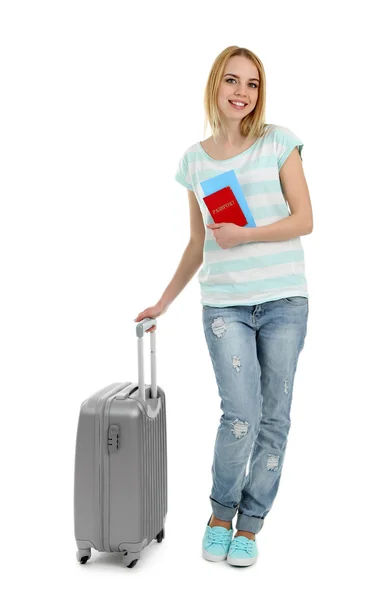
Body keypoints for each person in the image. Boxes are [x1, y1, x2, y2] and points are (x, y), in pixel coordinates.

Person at [134, 45, 313, 568]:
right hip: (225, 305)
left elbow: (304, 220)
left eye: (252, 84)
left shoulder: (280, 142)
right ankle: (219, 515)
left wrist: (245, 234)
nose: (242, 92)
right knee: (240, 415)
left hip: (283, 300)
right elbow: (198, 244)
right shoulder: (194, 159)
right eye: (232, 81)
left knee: (274, 418)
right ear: (216, 86)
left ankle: (250, 526)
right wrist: (164, 301)